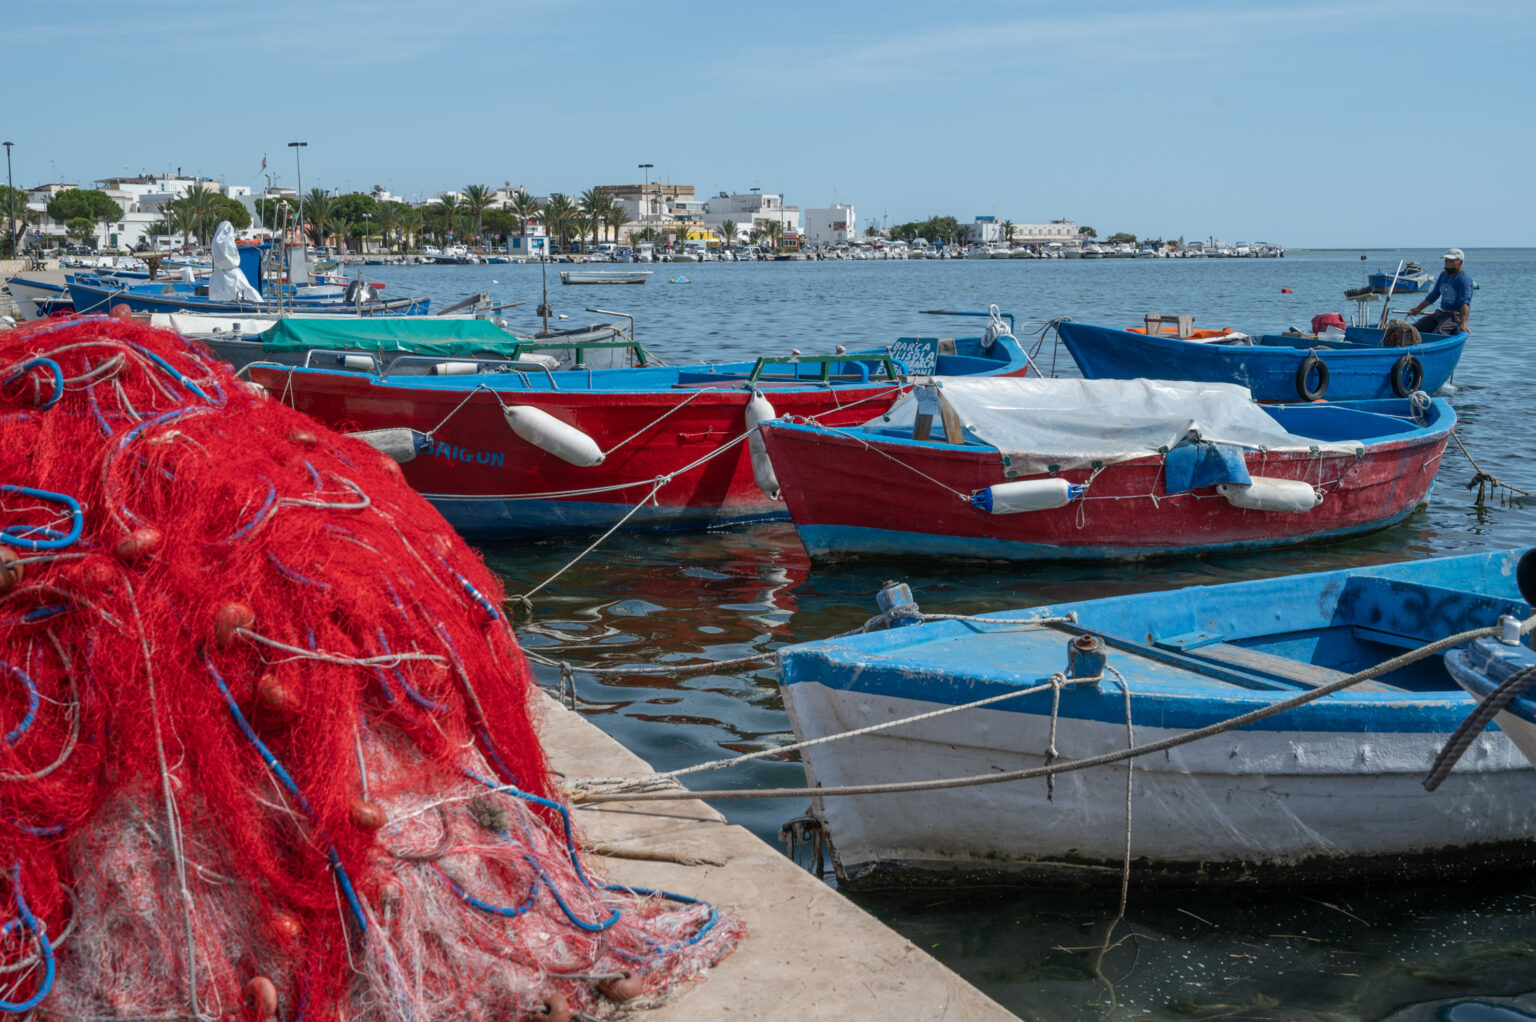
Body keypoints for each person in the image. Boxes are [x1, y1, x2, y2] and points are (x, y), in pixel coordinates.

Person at [1407, 248, 1472, 335]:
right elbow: (1434, 295)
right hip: (1441, 313)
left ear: (1460, 262)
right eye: (1446, 261)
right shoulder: (1443, 275)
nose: (1447, 264)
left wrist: (1464, 323)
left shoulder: (1464, 279)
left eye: (1451, 261)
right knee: (1413, 329)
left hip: (1455, 317)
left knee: (1438, 334)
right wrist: (1418, 308)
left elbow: (1465, 303)